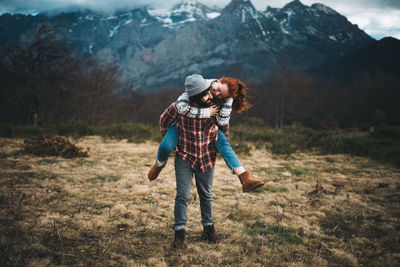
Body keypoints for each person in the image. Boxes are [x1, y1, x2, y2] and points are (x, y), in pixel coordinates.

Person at [148, 74, 264, 192]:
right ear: (219, 80)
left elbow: (223, 122)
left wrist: (228, 102)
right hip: (181, 125)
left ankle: (245, 178)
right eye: (218, 89)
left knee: (225, 145)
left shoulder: (220, 100)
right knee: (166, 146)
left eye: (221, 94)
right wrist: (208, 112)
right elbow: (179, 108)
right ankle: (159, 164)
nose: (216, 93)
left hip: (207, 131)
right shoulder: (199, 86)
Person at [159, 74, 223, 248]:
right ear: (195, 97)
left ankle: (209, 231)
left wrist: (222, 146)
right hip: (185, 157)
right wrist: (169, 142)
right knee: (182, 196)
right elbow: (163, 120)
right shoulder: (179, 107)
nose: (209, 96)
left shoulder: (215, 105)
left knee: (206, 195)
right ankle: (179, 235)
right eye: (205, 94)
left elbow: (224, 126)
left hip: (207, 157)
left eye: (208, 92)